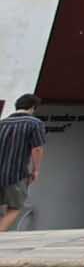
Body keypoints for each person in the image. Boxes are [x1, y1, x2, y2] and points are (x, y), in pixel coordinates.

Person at [0, 91, 42, 236]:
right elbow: (37, 148)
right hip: (16, 173)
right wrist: (36, 169)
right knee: (15, 207)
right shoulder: (35, 123)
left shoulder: (2, 123)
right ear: (33, 107)